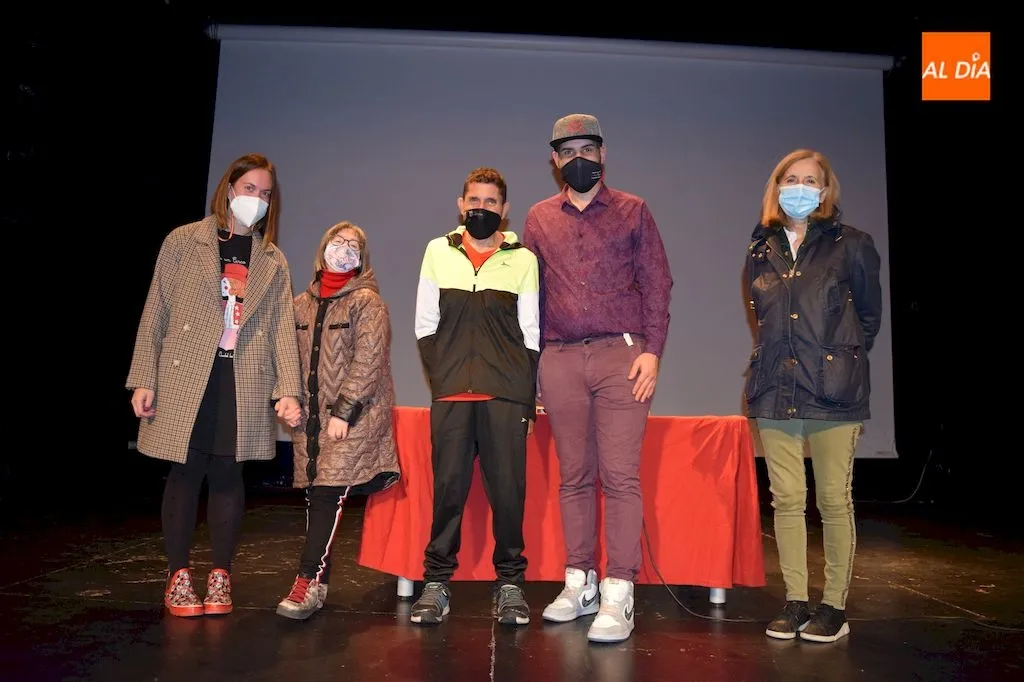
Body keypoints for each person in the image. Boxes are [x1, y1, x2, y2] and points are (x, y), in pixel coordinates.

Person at [126, 153, 303, 618]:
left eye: (266, 194)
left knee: (228, 474)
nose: (257, 200)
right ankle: (178, 574)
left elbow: (284, 329)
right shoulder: (184, 241)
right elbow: (155, 311)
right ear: (229, 189)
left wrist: (289, 388)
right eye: (250, 190)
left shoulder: (273, 259)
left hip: (241, 377)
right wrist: (144, 377)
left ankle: (221, 574)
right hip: (187, 373)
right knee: (184, 472)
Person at [523, 114, 673, 643]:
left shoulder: (633, 210)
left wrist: (653, 351)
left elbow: (658, 282)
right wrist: (534, 365)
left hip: (621, 355)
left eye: (588, 148)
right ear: (555, 160)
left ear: (603, 154)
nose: (578, 158)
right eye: (568, 151)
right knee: (574, 476)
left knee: (620, 475)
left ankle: (619, 591)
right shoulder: (539, 218)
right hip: (560, 356)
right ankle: (579, 580)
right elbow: (531, 297)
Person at [745, 148, 882, 643]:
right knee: (786, 499)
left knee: (832, 500)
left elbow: (868, 319)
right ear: (777, 186)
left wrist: (835, 361)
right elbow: (763, 316)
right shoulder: (761, 248)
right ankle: (796, 601)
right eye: (791, 178)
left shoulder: (854, 245)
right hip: (774, 388)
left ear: (825, 191)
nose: (800, 187)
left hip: (833, 391)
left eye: (810, 180)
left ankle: (833, 608)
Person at [410, 167, 540, 627]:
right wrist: (444, 380)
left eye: (490, 202)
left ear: (504, 210)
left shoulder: (523, 259)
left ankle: (510, 585)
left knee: (508, 494)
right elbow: (426, 325)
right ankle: (436, 583)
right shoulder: (436, 251)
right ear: (460, 204)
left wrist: (525, 399)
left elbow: (531, 336)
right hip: (451, 396)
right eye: (474, 200)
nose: (480, 208)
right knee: (448, 493)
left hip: (504, 397)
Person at [275, 221, 401, 620]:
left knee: (329, 494)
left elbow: (369, 359)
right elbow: (284, 359)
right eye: (337, 242)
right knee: (318, 495)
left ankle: (307, 581)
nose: (343, 249)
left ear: (361, 258)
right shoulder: (298, 305)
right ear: (323, 247)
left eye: (353, 245)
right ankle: (319, 582)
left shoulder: (367, 302)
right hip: (310, 425)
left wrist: (344, 411)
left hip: (354, 418)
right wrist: (285, 397)